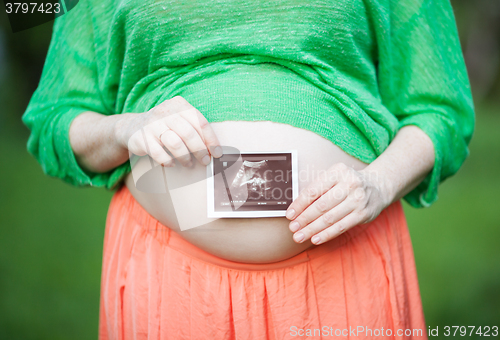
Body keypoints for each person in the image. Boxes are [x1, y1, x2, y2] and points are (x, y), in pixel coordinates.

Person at [22, 0, 474, 338]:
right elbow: (56, 117)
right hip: (173, 284)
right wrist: (126, 129)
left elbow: (440, 109)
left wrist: (379, 182)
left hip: (342, 272)